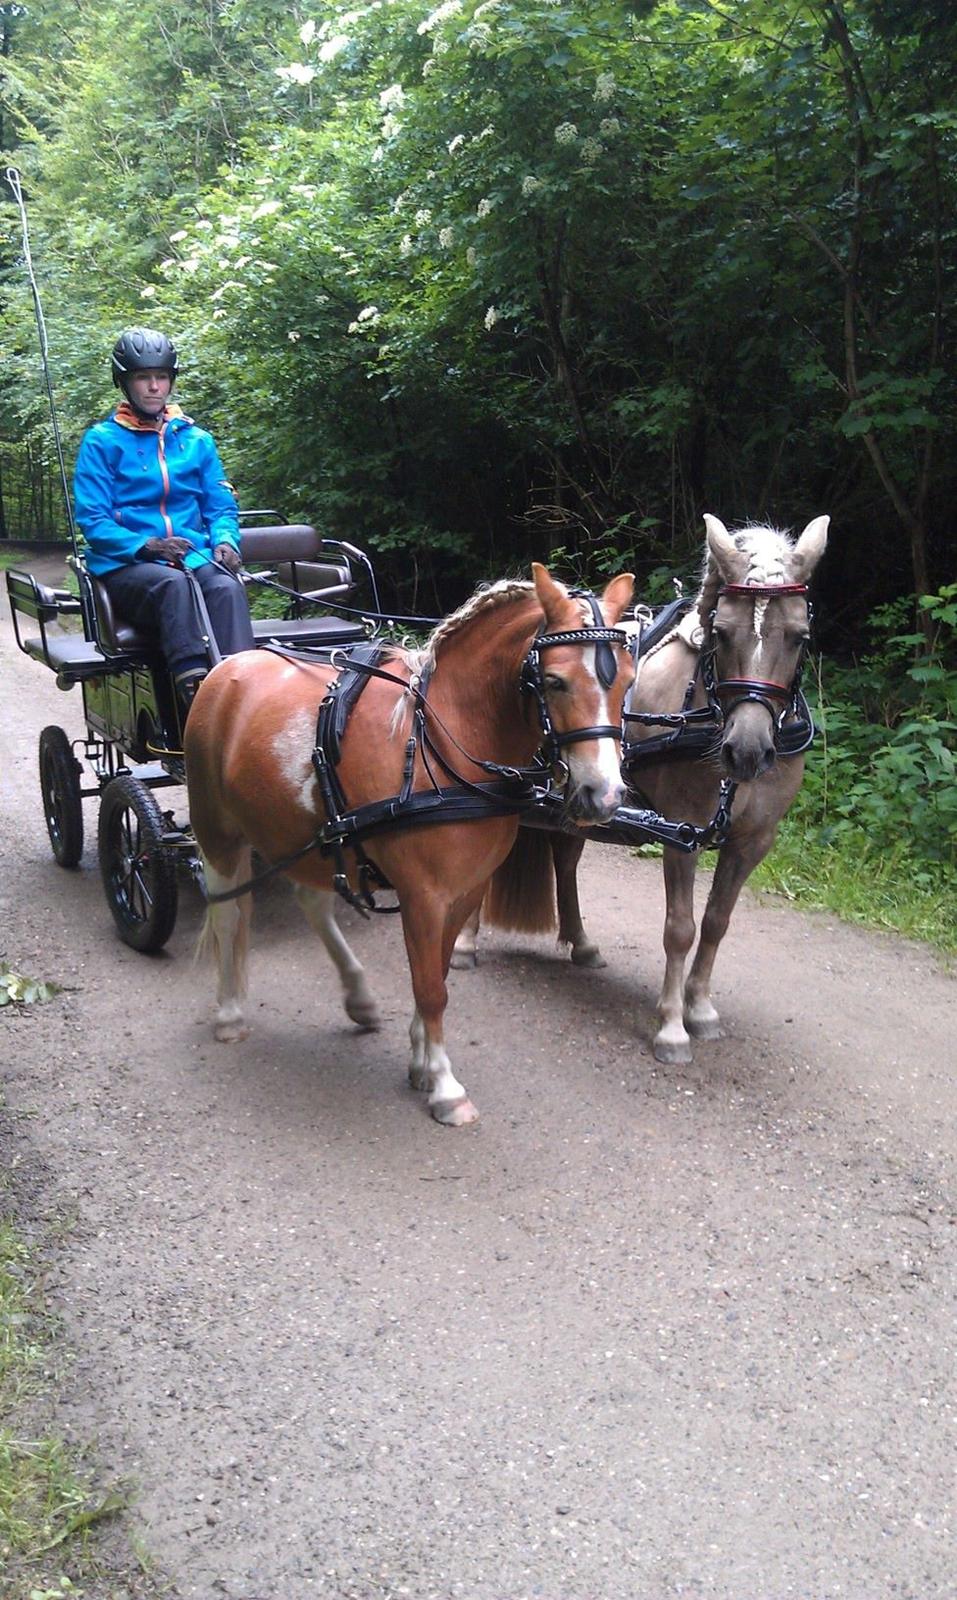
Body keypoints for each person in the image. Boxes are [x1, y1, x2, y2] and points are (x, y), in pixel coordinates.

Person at [72, 327, 255, 718]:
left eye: (161, 377)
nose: (154, 387)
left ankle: (246, 687)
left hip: (191, 557)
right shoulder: (102, 442)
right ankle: (197, 696)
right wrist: (146, 545)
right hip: (128, 567)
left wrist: (225, 541)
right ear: (124, 382)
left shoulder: (197, 441)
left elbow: (220, 505)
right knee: (171, 585)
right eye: (143, 377)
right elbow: (93, 519)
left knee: (225, 587)